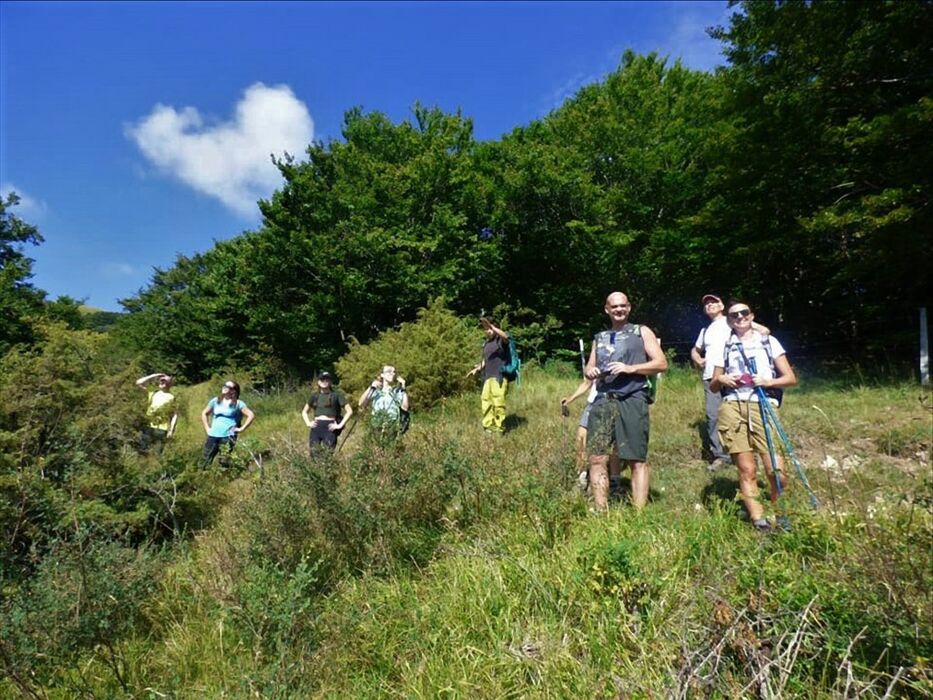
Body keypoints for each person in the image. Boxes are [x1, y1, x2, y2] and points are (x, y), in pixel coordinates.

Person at [709, 300, 797, 533]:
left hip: (763, 404)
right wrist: (723, 379)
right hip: (733, 406)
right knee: (746, 469)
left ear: (751, 315)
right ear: (728, 320)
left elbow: (790, 378)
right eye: (734, 315)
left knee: (775, 469)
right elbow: (714, 386)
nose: (739, 317)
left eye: (744, 313)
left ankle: (783, 516)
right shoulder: (723, 345)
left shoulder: (768, 342)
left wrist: (769, 382)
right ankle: (759, 522)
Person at [583, 292, 667, 510]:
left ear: (629, 308)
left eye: (623, 306)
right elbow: (588, 368)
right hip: (602, 400)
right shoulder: (599, 337)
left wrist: (632, 368)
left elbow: (661, 363)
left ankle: (639, 515)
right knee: (597, 457)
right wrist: (591, 371)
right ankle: (601, 511)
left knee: (636, 458)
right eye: (614, 306)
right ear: (607, 309)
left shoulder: (641, 331)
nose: (619, 309)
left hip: (632, 398)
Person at [691, 294, 770, 471]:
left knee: (743, 414)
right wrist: (698, 359)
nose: (710, 305)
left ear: (722, 306)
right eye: (707, 304)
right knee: (713, 416)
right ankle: (721, 455)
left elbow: (763, 331)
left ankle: (748, 454)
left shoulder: (733, 319)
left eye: (714, 302)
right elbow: (695, 350)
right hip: (711, 377)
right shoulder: (705, 330)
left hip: (734, 376)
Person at [467, 318, 511, 434]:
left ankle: (499, 428)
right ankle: (488, 427)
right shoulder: (486, 344)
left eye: (489, 329)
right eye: (486, 329)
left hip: (499, 377)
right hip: (488, 377)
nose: (488, 331)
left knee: (498, 403)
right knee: (486, 401)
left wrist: (492, 326)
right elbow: (486, 360)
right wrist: (477, 369)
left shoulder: (500, 341)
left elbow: (506, 337)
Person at [200, 380, 254, 466]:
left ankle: (224, 478)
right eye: (224, 385)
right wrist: (207, 428)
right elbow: (204, 413)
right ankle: (202, 477)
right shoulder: (215, 401)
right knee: (205, 460)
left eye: (228, 387)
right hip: (213, 435)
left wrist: (241, 429)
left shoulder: (238, 403)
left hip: (228, 436)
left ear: (233, 391)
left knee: (223, 461)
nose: (225, 387)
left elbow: (250, 415)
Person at [302, 371, 353, 453]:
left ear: (330, 382)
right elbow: (304, 412)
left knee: (328, 454)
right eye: (322, 380)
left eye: (327, 379)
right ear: (318, 382)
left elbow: (349, 411)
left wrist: (340, 425)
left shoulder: (337, 395)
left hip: (330, 427)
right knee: (314, 453)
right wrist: (308, 423)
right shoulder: (314, 396)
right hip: (316, 426)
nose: (324, 382)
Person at [358, 365, 409, 438]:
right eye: (389, 371)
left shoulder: (397, 391)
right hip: (377, 424)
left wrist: (403, 388)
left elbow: (405, 407)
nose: (392, 374)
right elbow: (361, 404)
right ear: (382, 375)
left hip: (392, 425)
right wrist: (371, 387)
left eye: (394, 372)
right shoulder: (376, 391)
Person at [135, 372, 178, 454]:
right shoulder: (152, 392)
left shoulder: (172, 397)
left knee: (156, 454)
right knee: (142, 452)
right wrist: (153, 376)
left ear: (170, 383)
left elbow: (174, 415)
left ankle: (153, 466)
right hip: (148, 426)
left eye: (165, 381)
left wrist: (171, 430)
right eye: (161, 381)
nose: (162, 382)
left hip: (162, 429)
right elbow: (138, 383)